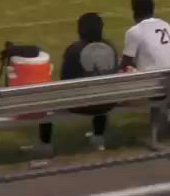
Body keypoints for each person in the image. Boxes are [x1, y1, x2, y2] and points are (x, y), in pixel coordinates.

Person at [33, 13, 119, 157]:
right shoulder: (111, 47)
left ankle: (45, 145)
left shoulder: (74, 49)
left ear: (80, 30)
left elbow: (65, 80)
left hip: (80, 104)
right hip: (108, 102)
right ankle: (98, 137)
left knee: (46, 94)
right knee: (100, 86)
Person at [121, 0, 170, 72]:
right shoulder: (166, 25)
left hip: (153, 81)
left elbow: (124, 64)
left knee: (124, 70)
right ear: (152, 9)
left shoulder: (134, 31)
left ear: (134, 12)